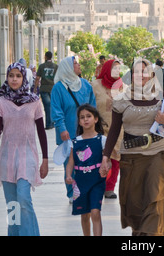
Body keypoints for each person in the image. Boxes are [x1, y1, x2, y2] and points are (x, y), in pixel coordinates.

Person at [99, 58, 164, 236]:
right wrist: (106, 157)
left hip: (157, 154)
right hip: (131, 158)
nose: (141, 75)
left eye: (144, 71)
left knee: (154, 198)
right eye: (137, 72)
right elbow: (114, 131)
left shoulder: (161, 98)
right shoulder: (121, 100)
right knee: (135, 207)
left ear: (151, 74)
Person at [0, 62, 48, 236]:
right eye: (11, 75)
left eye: (18, 76)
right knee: (12, 205)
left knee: (24, 198)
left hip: (28, 156)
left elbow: (41, 132)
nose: (14, 79)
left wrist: (45, 160)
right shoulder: (1, 102)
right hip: (7, 158)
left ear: (24, 78)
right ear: (7, 78)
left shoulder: (34, 101)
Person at [51, 56, 96, 203]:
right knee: (70, 164)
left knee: (86, 162)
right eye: (75, 63)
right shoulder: (58, 88)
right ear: (67, 68)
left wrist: (94, 125)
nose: (78, 65)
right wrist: (62, 129)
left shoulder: (85, 85)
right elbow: (57, 110)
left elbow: (92, 106)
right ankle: (72, 193)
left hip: (86, 132)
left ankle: (86, 190)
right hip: (68, 133)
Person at [65, 104, 107, 236]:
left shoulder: (102, 140)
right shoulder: (75, 142)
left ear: (96, 119)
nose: (85, 119)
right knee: (84, 215)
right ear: (79, 121)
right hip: (80, 182)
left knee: (95, 212)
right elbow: (71, 161)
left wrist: (106, 166)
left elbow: (108, 159)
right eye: (82, 117)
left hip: (97, 181)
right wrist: (68, 175)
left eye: (89, 116)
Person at [91, 59, 123, 199]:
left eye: (118, 69)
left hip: (119, 129)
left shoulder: (123, 86)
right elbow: (90, 106)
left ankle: (110, 188)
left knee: (116, 160)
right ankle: (99, 186)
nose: (117, 71)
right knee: (100, 159)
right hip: (100, 128)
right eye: (114, 68)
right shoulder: (95, 85)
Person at [35, 51, 58, 129]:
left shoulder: (41, 66)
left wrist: (35, 88)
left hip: (44, 88)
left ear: (45, 56)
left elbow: (37, 78)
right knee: (53, 106)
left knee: (47, 106)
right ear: (51, 57)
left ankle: (49, 124)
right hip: (53, 88)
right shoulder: (55, 66)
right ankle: (52, 122)